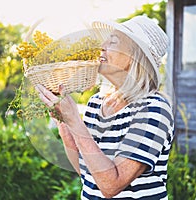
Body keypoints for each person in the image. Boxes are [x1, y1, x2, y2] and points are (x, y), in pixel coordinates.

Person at [35, 16, 175, 200]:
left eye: (113, 41)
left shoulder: (154, 110)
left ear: (134, 56)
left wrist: (75, 122)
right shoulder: (96, 103)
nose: (102, 44)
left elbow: (111, 185)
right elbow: (86, 171)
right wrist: (63, 122)